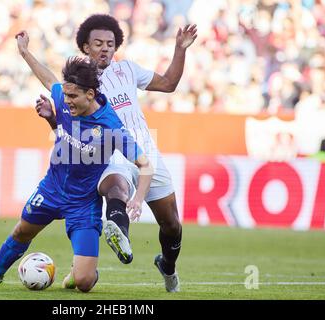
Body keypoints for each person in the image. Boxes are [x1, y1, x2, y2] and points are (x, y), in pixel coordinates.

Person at [16, 14, 197, 292]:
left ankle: (167, 265)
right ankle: (119, 233)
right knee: (116, 187)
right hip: (109, 154)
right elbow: (51, 81)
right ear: (85, 47)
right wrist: (26, 54)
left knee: (172, 225)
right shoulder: (81, 80)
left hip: (146, 151)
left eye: (110, 43)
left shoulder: (128, 70)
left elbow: (169, 83)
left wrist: (180, 49)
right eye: (98, 43)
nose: (105, 48)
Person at [0, 56, 153, 293]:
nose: (65, 100)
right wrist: (25, 52)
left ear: (90, 94)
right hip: (52, 189)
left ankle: (79, 273)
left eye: (72, 97)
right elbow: (48, 79)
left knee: (84, 283)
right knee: (21, 231)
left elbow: (145, 164)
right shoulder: (64, 96)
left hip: (83, 202)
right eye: (65, 95)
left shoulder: (110, 125)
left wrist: (138, 199)